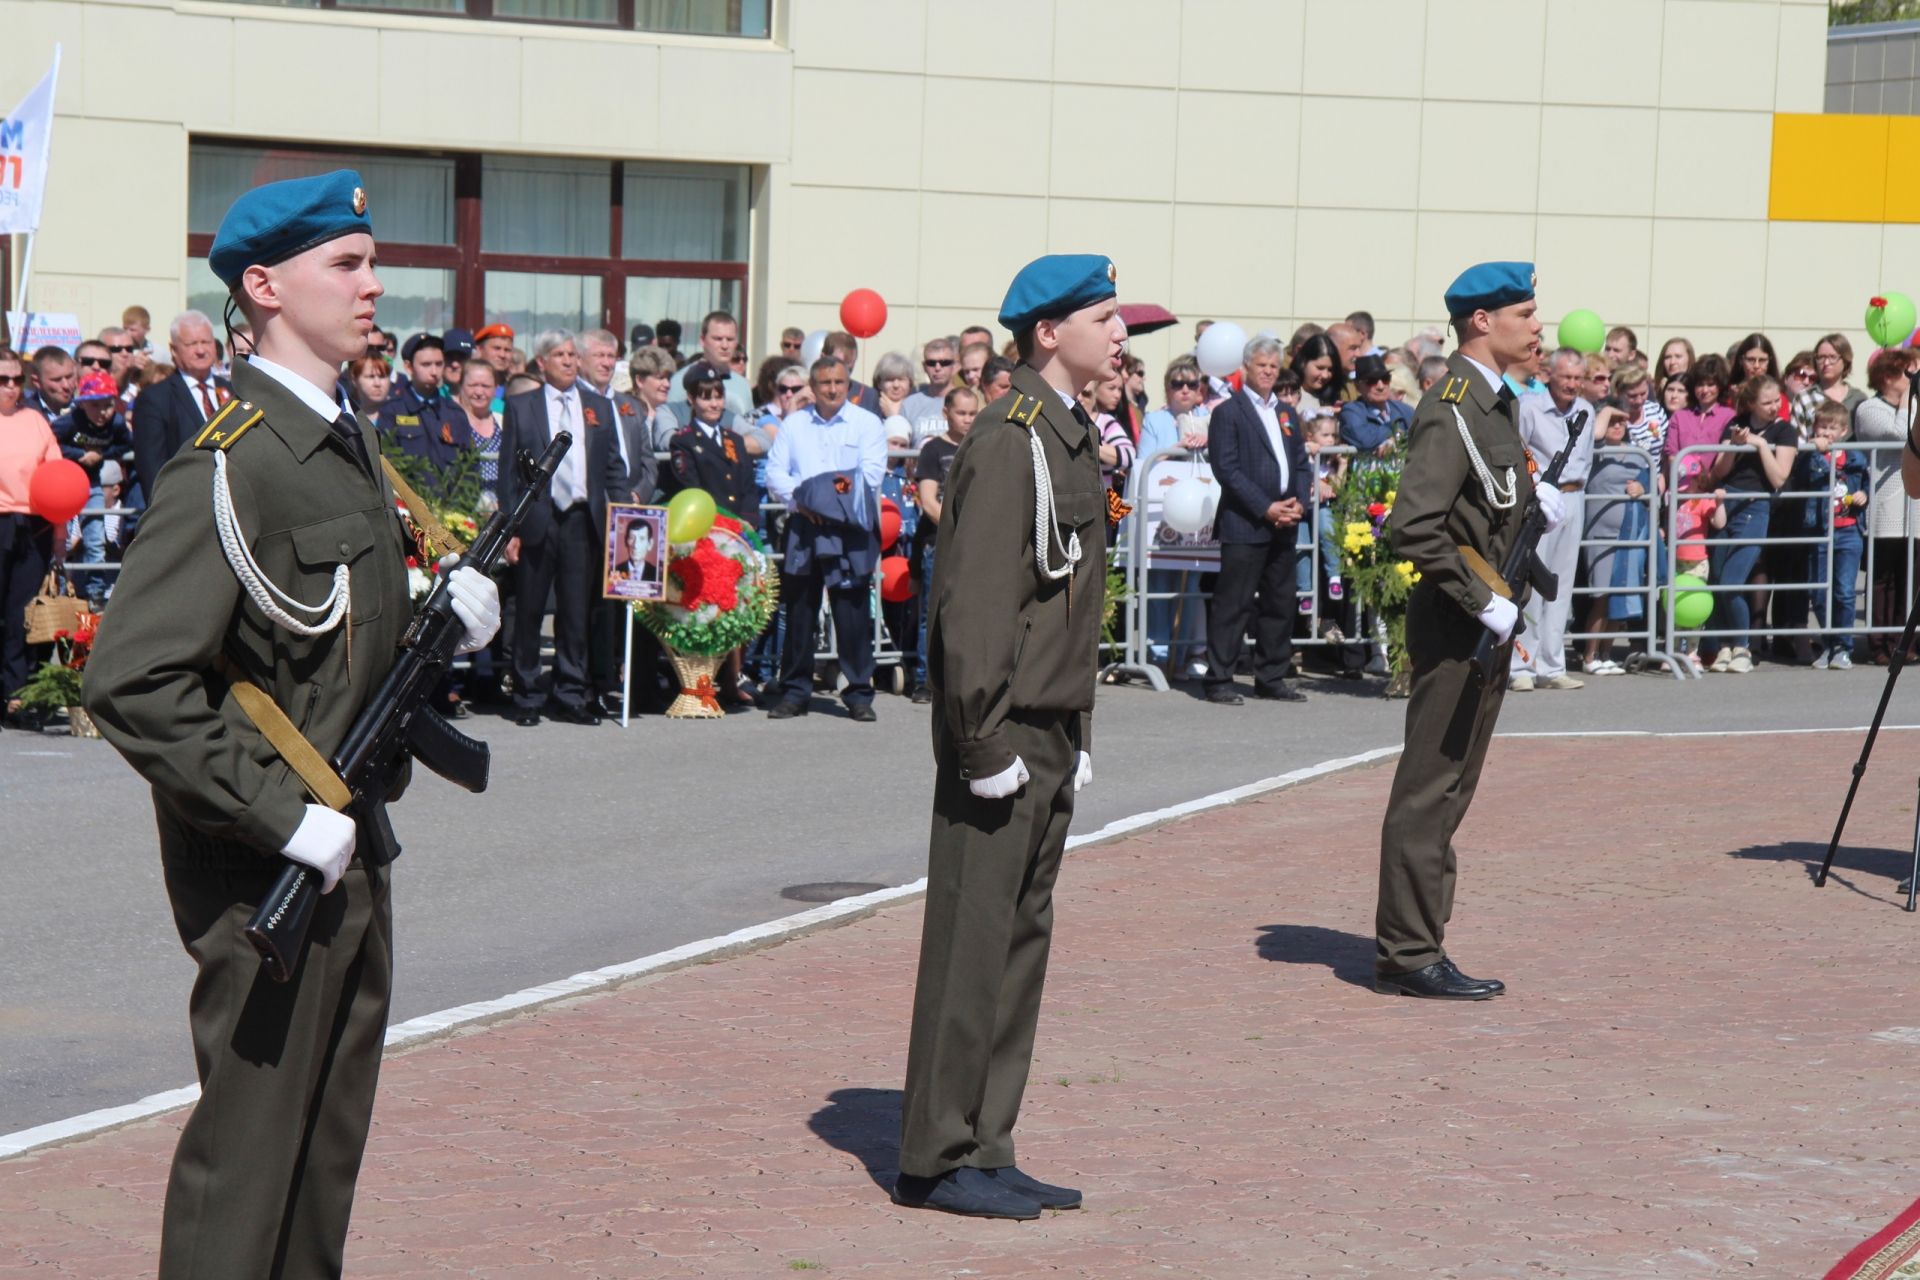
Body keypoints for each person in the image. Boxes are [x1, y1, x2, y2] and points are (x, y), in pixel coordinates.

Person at [82, 170, 501, 1279]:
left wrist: (433, 618)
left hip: (347, 848)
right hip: (266, 868)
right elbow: (132, 678)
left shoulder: (337, 440)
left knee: (323, 1156)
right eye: (347, 264)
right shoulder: (234, 460)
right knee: (248, 1163)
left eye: (369, 262)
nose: (375, 285)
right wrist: (281, 814)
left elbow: (321, 648)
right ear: (263, 286)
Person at [896, 253, 1118, 1221]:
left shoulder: (1066, 437)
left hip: (1050, 723)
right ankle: (938, 1151)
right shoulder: (1008, 439)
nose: (1120, 336)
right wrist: (980, 741)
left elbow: (1062, 602)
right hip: (1004, 731)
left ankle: (988, 1138)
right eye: (1105, 318)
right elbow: (976, 609)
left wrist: (1077, 721)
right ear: (1047, 333)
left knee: (1019, 941)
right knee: (972, 942)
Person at [1376, 261, 1565, 1001]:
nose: (1537, 326)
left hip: (1485, 623)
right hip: (1460, 624)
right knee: (1429, 789)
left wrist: (1531, 503)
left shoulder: (1493, 404)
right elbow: (1414, 528)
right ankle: (1409, 950)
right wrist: (1480, 597)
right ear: (1482, 321)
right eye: (1525, 312)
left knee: (1452, 789)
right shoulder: (1450, 405)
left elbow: (1479, 507)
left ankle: (1421, 940)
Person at [499, 328, 627, 727]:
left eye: (573, 355)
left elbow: (611, 467)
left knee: (576, 610)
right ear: (542, 362)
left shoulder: (597, 407)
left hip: (580, 517)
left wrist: (620, 517)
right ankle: (527, 693)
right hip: (538, 516)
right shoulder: (522, 405)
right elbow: (508, 475)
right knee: (531, 609)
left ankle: (571, 691)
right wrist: (511, 529)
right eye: (561, 355)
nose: (570, 362)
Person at [763, 356, 886, 721]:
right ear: (812, 387)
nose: (832, 389)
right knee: (799, 612)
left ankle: (860, 693)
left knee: (852, 613)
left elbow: (870, 475)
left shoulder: (866, 423)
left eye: (839, 382)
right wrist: (806, 501)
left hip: (849, 529)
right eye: (824, 383)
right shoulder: (795, 424)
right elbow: (775, 473)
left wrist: (819, 496)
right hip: (804, 525)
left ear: (848, 385)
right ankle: (796, 691)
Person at [1202, 333, 1311, 705]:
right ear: (1245, 368)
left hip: (1286, 520)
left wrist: (1299, 503)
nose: (1267, 371)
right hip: (1246, 522)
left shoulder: (1286, 412)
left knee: (1280, 602)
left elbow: (1300, 462)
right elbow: (1227, 469)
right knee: (1234, 603)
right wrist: (1265, 507)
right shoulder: (1227, 412)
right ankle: (1219, 679)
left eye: (1272, 366)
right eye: (1261, 365)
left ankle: (1272, 676)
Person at [1508, 348, 1594, 692]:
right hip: (1542, 497)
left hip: (1574, 496)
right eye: (1566, 378)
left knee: (1560, 583)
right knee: (1532, 581)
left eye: (1577, 378)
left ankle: (1552, 663)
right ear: (1550, 377)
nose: (1572, 384)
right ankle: (1521, 665)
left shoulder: (1586, 410)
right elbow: (1519, 450)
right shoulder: (1530, 408)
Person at [1699, 375, 1796, 673]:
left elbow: (1779, 478)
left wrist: (1760, 445)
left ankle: (1742, 646)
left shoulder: (1785, 430)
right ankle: (1723, 646)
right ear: (1752, 403)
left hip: (1756, 507)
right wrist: (1736, 446)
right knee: (1716, 579)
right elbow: (1718, 472)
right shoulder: (1736, 424)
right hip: (1726, 501)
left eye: (1776, 401)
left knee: (1732, 580)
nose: (1773, 407)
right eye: (1766, 403)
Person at [0, 348, 61, 727]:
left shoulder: (35, 419)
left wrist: (59, 536)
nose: (11, 387)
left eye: (17, 380)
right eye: (3, 380)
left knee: (21, 615)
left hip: (32, 523)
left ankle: (15, 696)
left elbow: (57, 479)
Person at [908, 385, 979, 703]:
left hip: (976, 542)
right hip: (939, 542)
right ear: (946, 413)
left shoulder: (981, 445)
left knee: (970, 613)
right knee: (931, 613)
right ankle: (925, 679)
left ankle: (962, 679)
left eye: (972, 413)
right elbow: (928, 501)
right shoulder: (933, 449)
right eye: (961, 413)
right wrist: (959, 530)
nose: (967, 419)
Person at [1853, 347, 1917, 663]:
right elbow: (1897, 435)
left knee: (1911, 578)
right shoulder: (1869, 408)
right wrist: (1907, 400)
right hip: (1886, 506)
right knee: (1884, 579)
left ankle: (1905, 640)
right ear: (1889, 376)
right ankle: (1880, 643)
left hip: (1914, 509)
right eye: (1908, 373)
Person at [131, 311, 229, 507]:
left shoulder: (233, 391)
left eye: (206, 342)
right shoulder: (155, 398)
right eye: (191, 344)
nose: (201, 350)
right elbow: (152, 468)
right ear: (174, 350)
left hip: (234, 508)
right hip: (186, 507)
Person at [1803, 400, 1869, 670]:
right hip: (1820, 531)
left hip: (1848, 532)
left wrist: (1865, 493)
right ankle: (1828, 641)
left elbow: (1865, 480)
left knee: (1844, 591)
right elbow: (1806, 473)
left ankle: (1843, 645)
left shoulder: (1853, 457)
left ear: (1843, 431)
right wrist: (1818, 454)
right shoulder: (1812, 455)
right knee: (1819, 592)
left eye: (1833, 428)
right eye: (1822, 427)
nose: (1827, 433)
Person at [1297, 413, 1346, 618]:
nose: (1330, 440)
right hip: (1301, 508)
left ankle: (1334, 577)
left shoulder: (1330, 461)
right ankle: (1305, 592)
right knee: (1301, 546)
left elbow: (1337, 488)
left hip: (1322, 507)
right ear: (1309, 436)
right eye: (1325, 435)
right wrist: (1316, 483)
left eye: (1333, 436)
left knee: (1327, 528)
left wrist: (1342, 465)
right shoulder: (1302, 455)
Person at [1338, 353, 1413, 462]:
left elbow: (1422, 436)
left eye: (1385, 379)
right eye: (1371, 381)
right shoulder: (1351, 411)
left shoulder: (1404, 409)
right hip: (1365, 476)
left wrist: (1393, 440)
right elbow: (1365, 441)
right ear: (1358, 386)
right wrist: (1398, 434)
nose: (1381, 386)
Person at [1289, 331, 1345, 414]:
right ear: (1303, 362)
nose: (1325, 375)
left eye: (1330, 370)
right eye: (1320, 368)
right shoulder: (1287, 395)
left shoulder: (1335, 396)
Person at [346, 352, 391, 416]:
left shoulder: (404, 412)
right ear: (354, 380)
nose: (377, 383)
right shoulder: (345, 416)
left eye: (382, 376)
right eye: (371, 376)